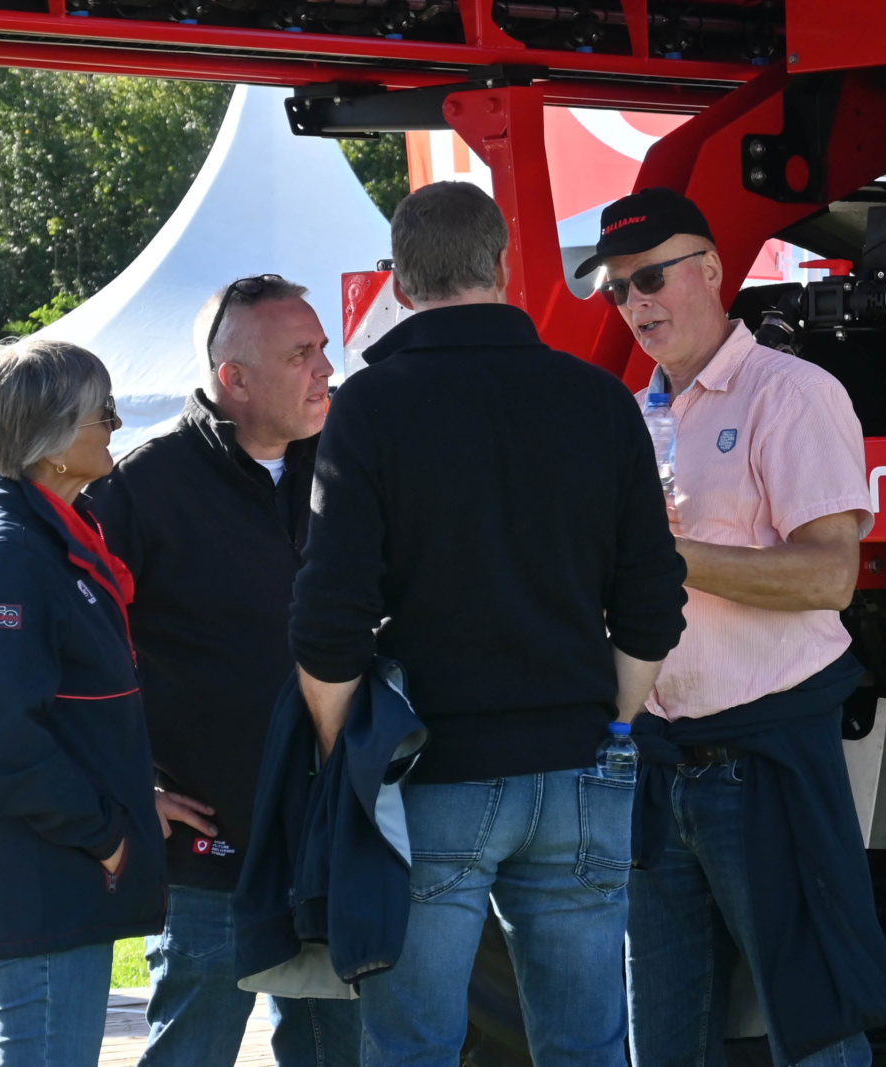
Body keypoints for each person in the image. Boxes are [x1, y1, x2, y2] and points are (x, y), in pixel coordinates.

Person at [289, 181, 689, 1067]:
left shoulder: (372, 406)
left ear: (400, 282)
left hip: (435, 769)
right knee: (588, 1047)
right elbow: (653, 597)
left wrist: (345, 751)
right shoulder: (599, 399)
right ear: (505, 265)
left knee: (415, 1049)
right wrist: (615, 719)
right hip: (580, 759)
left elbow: (329, 615)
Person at [580, 187, 886, 1067]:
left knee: (817, 1027)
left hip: (765, 757)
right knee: (663, 1042)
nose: (635, 302)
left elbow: (830, 575)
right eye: (617, 288)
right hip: (655, 762)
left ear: (713, 269)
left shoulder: (790, 394)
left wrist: (667, 555)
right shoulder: (630, 415)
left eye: (651, 277)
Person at [84, 275, 360, 1067]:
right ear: (234, 377)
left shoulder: (348, 467)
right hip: (210, 855)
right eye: (301, 354)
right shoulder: (141, 487)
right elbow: (76, 652)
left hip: (331, 844)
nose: (326, 368)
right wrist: (130, 783)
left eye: (323, 348)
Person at [0, 339, 163, 1067]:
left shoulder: (38, 537)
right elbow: (4, 740)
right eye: (103, 411)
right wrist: (107, 834)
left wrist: (136, 800)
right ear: (54, 444)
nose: (117, 424)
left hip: (49, 879)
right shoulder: (13, 555)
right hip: (45, 884)